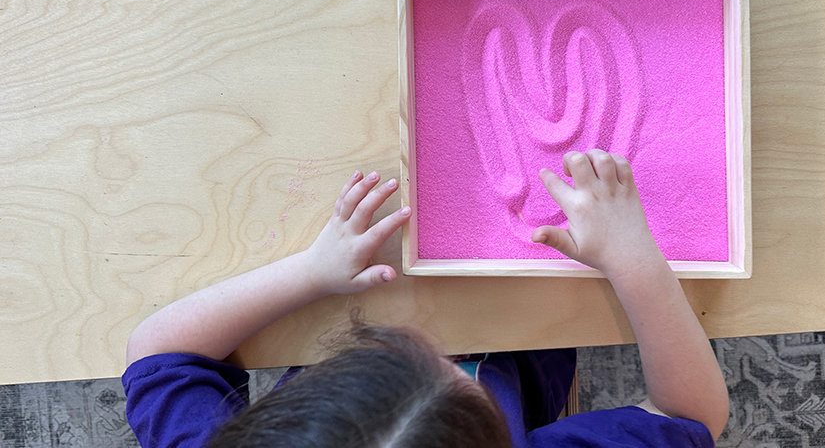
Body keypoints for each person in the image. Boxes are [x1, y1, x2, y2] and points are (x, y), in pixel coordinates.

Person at [123, 150, 729, 447]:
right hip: (530, 341)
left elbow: (157, 351)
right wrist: (634, 259)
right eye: (454, 372)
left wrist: (309, 273)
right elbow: (692, 417)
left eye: (390, 354)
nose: (438, 341)